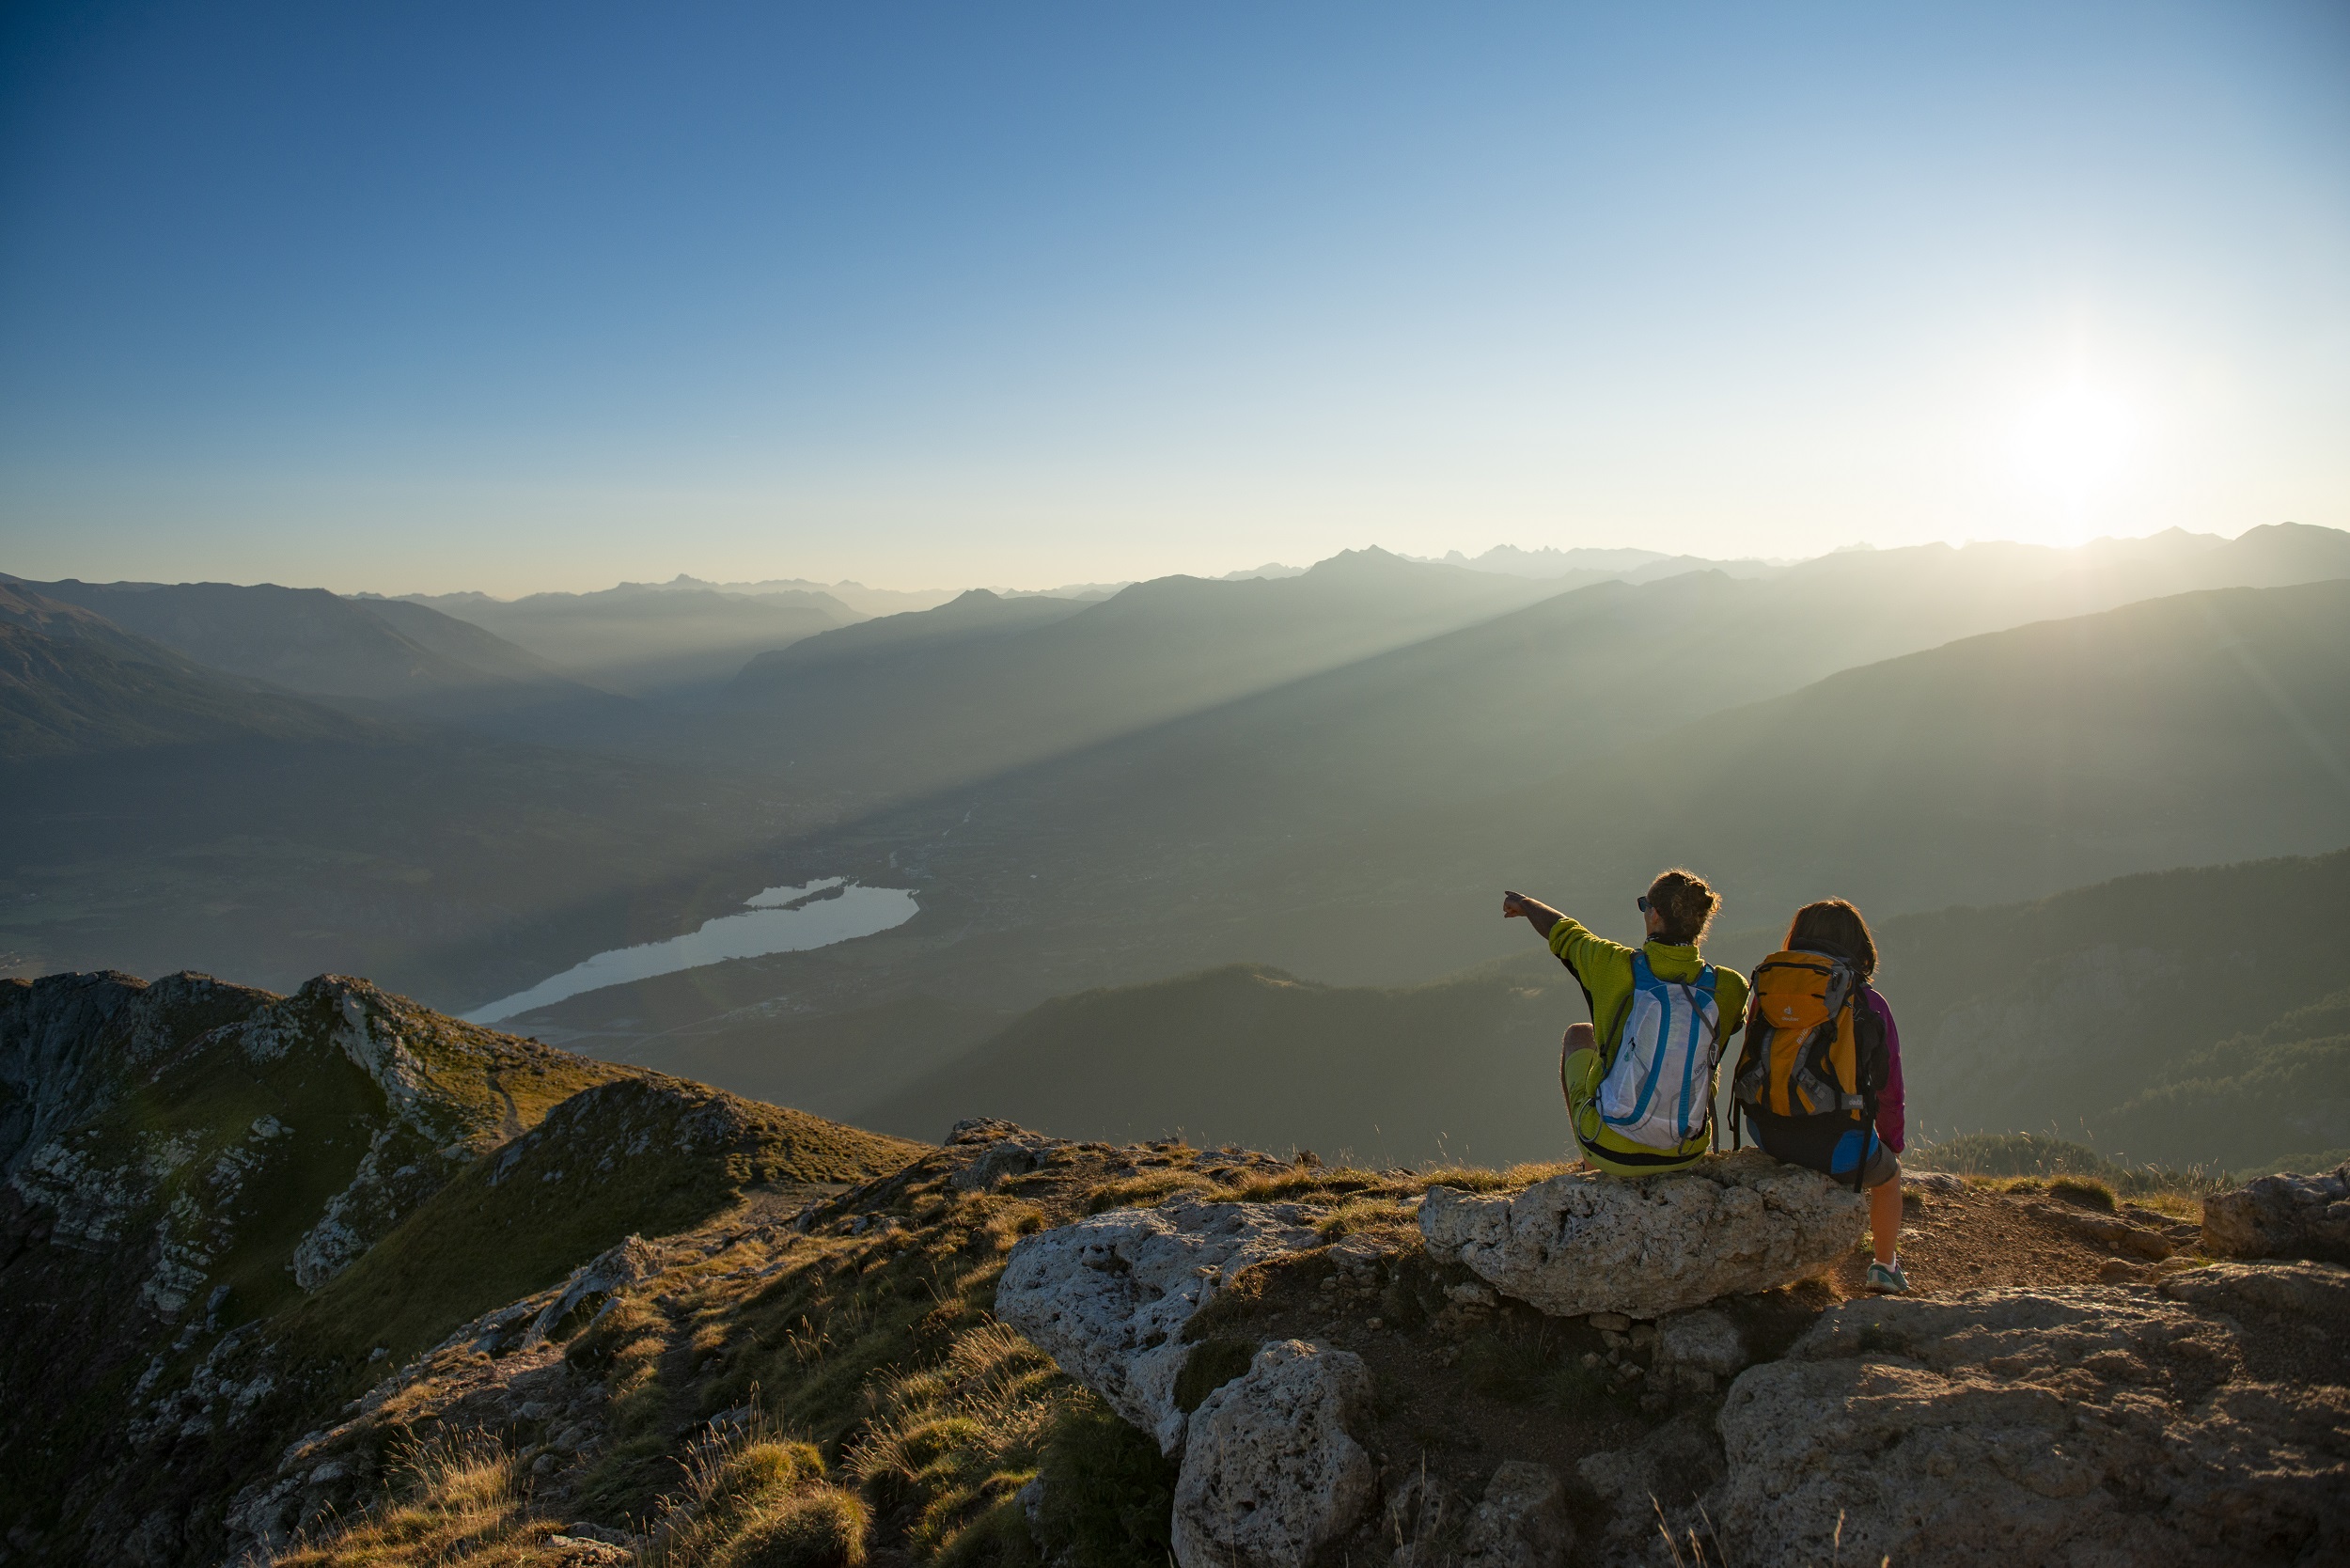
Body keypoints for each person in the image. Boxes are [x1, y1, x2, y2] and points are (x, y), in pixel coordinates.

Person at [1502, 870, 1747, 1178]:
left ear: (1655, 915)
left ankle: (1591, 1161)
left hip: (1611, 1149)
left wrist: (1525, 904)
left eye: (1645, 905)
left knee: (1579, 1035)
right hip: (1686, 1152)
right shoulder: (1731, 986)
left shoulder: (1612, 964)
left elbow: (1564, 932)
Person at [1731, 898, 1909, 1294]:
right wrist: (1891, 1144)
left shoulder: (1769, 989)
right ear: (1859, 944)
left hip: (1766, 1130)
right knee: (1889, 1178)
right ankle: (1885, 1266)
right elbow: (1889, 1091)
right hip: (1836, 1147)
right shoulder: (1870, 1004)